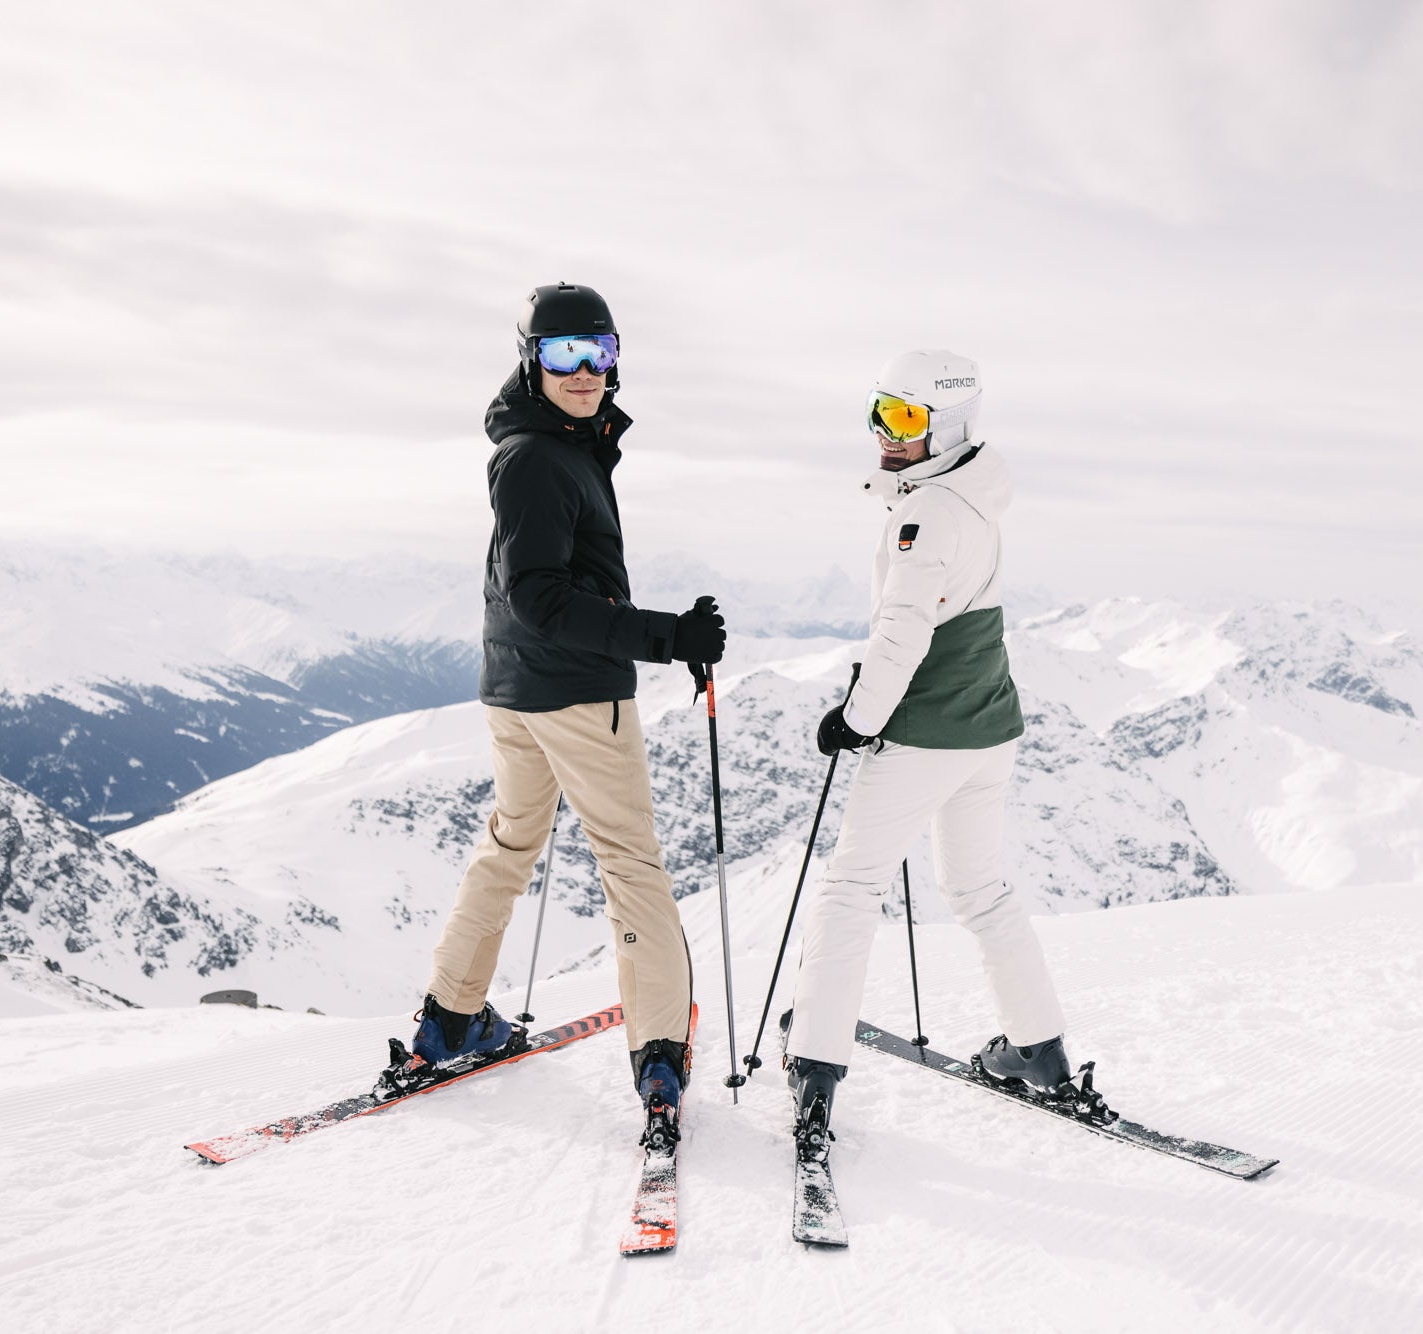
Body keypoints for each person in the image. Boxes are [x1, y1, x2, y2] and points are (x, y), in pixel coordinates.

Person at [411, 282, 724, 1136]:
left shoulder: (551, 445)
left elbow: (539, 590)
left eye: (601, 353)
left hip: (515, 689)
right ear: (531, 360)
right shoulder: (540, 459)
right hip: (577, 696)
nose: (585, 372)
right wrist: (667, 636)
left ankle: (449, 1021)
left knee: (511, 845)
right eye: (563, 355)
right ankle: (660, 1057)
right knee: (631, 865)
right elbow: (543, 595)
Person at [783, 348, 1075, 1141]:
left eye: (907, 417)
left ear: (946, 425)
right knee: (980, 891)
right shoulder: (975, 499)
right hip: (988, 730)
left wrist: (858, 718)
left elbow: (903, 628)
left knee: (849, 892)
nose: (887, 431)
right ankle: (1039, 1053)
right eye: (881, 411)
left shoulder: (926, 512)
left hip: (925, 732)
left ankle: (813, 1076)